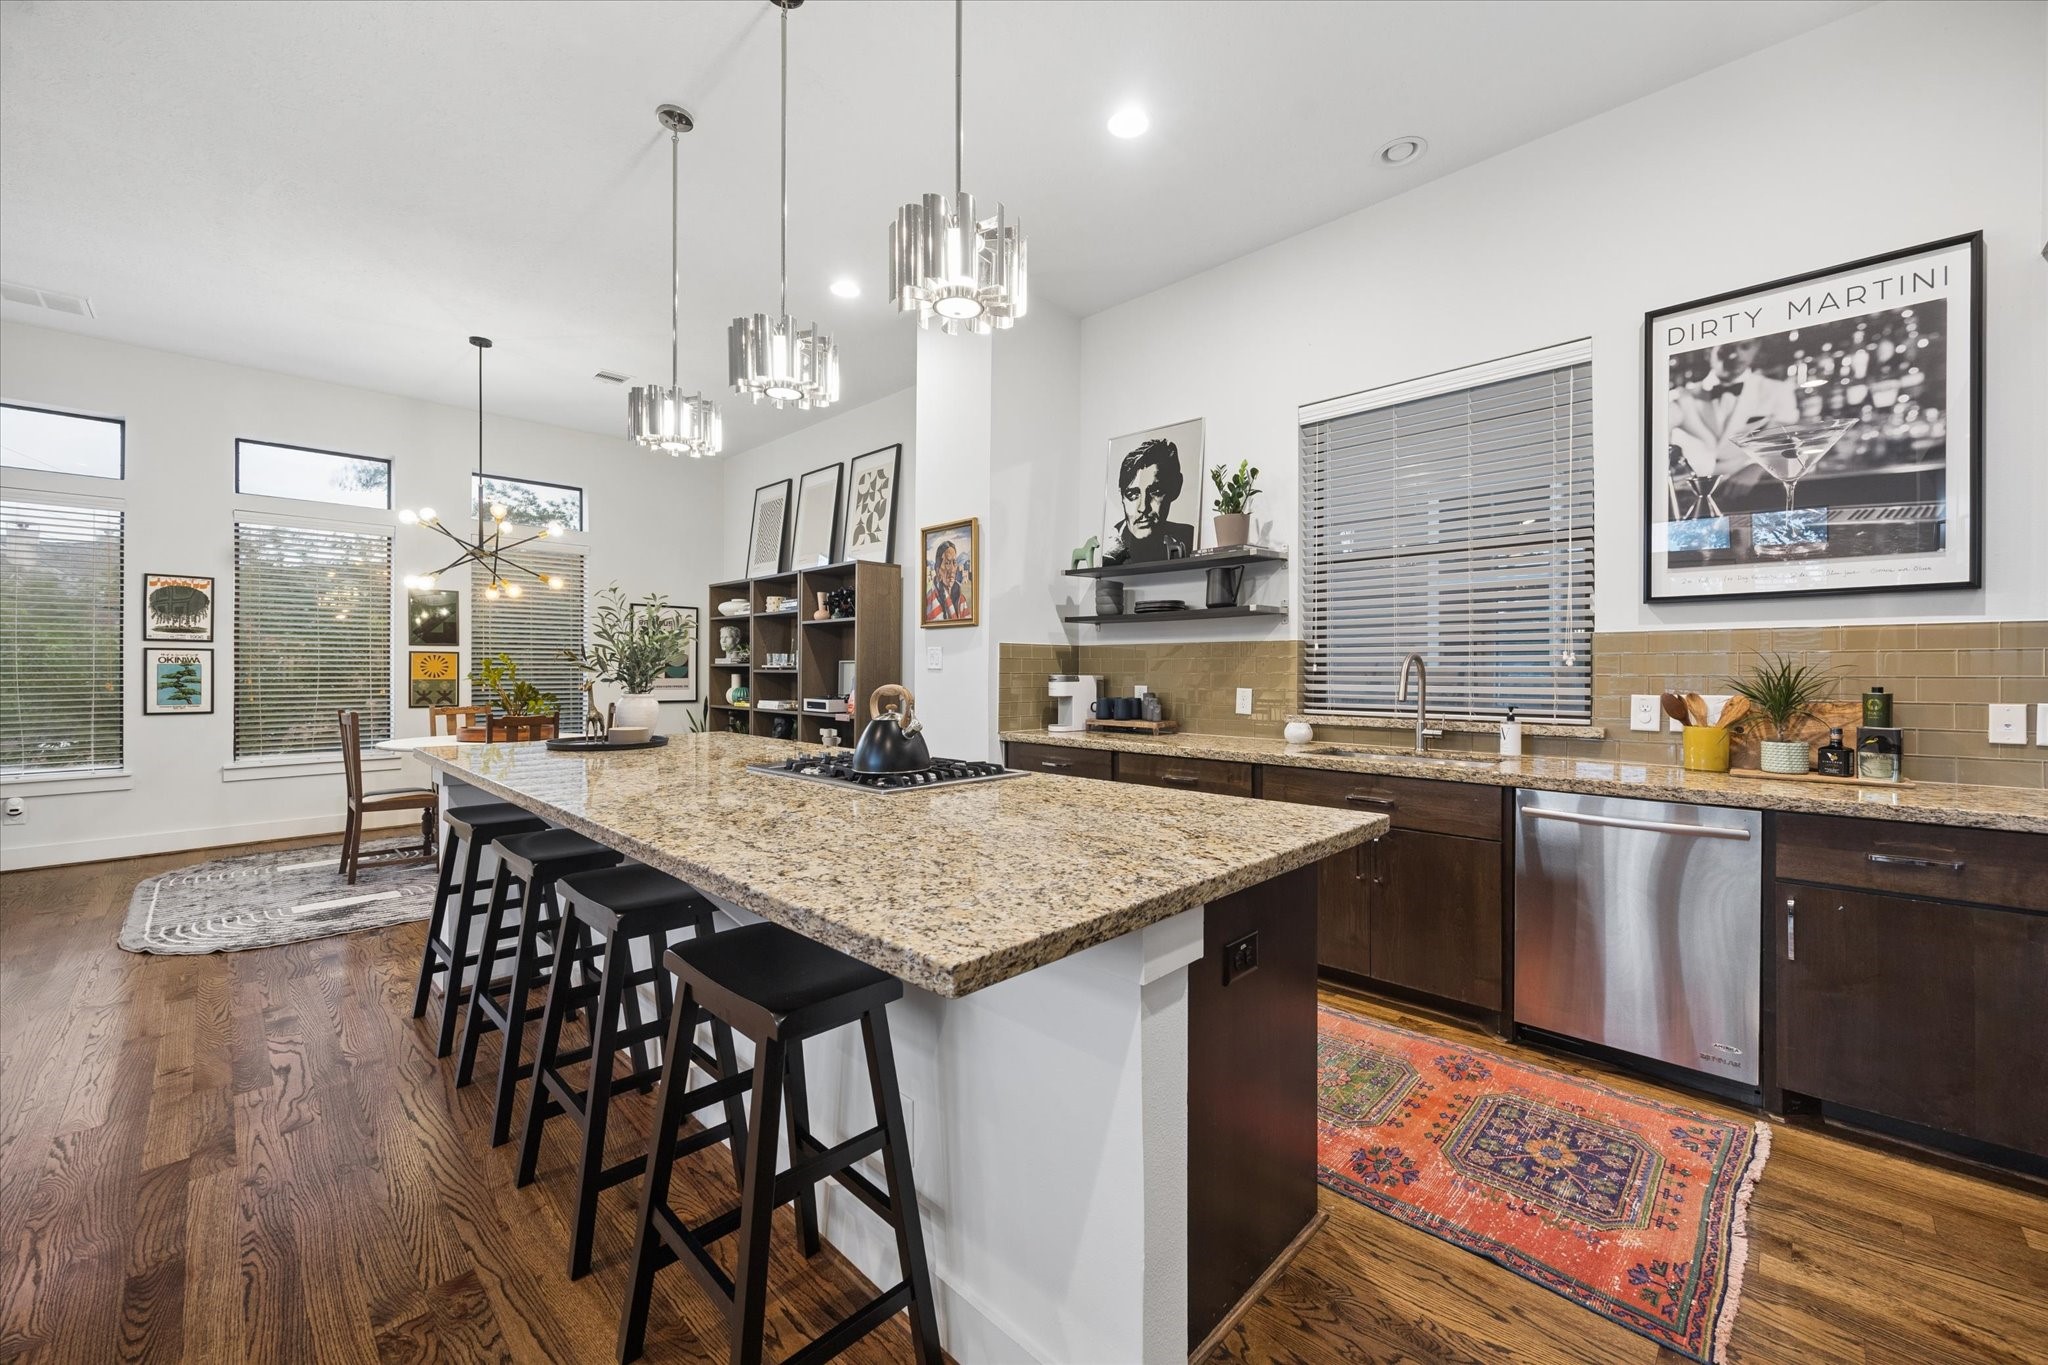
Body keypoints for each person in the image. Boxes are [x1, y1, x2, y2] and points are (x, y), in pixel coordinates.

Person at [1668, 339, 1799, 509]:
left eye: (1745, 347)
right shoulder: (1680, 396)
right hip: (1689, 494)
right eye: (1726, 348)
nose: (1734, 355)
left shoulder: (1777, 391)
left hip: (1749, 493)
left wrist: (1757, 468)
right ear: (1708, 353)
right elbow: (1655, 435)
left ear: (1755, 351)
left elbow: (1787, 444)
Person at [1102, 438, 1196, 564]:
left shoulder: (1189, 537)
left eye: (1155, 492)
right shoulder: (1107, 549)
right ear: (1121, 496)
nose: (1143, 508)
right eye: (1132, 495)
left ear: (1176, 488)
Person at [924, 538, 971, 622]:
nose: (952, 569)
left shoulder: (960, 598)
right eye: (947, 563)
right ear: (938, 570)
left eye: (954, 563)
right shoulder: (930, 601)